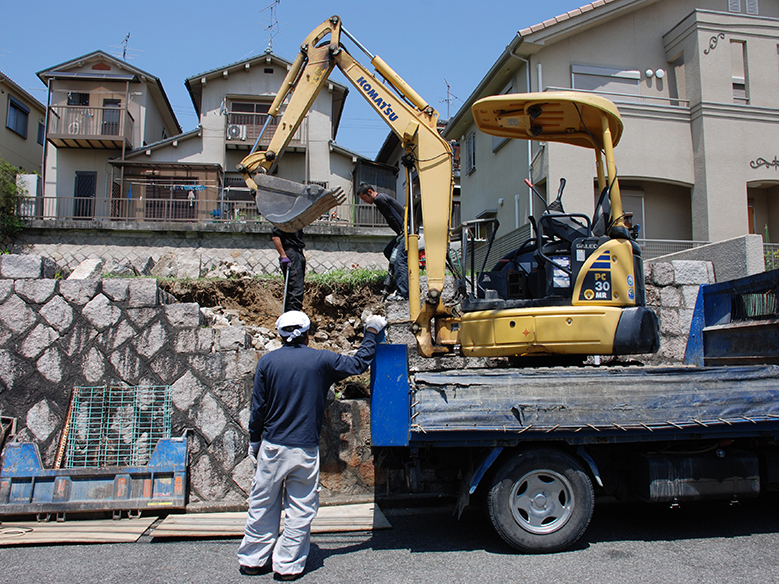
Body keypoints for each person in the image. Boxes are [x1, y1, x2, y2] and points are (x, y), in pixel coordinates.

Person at [237, 310, 387, 580]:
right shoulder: (321, 360)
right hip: (303, 448)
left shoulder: (267, 363)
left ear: (279, 335)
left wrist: (254, 440)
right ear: (307, 333)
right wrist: (372, 332)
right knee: (300, 509)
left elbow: (258, 408)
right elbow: (358, 364)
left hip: (272, 447)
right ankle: (287, 565)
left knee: (262, 503)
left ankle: (253, 560)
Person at [356, 183, 409, 300]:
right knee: (388, 251)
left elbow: (394, 217)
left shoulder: (380, 199)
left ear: (370, 192)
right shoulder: (381, 199)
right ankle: (403, 280)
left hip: (406, 231)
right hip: (403, 231)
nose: (364, 201)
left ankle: (404, 294)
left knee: (400, 260)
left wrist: (403, 231)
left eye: (364, 198)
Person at [272, 227, 306, 312]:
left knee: (297, 287)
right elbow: (275, 237)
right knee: (295, 288)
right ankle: (292, 317)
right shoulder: (285, 220)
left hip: (298, 253)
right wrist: (283, 255)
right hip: (291, 254)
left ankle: (290, 313)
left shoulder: (297, 221)